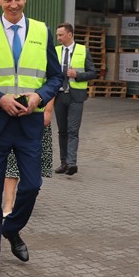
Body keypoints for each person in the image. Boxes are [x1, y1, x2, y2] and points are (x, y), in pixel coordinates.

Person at [0, 0, 62, 277]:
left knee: (32, 185)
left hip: (29, 123)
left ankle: (11, 228)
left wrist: (40, 96)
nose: (13, 4)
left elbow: (55, 76)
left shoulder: (41, 31)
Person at [52, 23, 97, 175]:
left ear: (70, 34)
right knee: (62, 131)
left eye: (61, 35)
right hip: (59, 96)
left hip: (76, 96)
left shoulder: (83, 51)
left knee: (73, 130)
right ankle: (63, 163)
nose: (58, 38)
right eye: (57, 35)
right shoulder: (55, 51)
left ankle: (72, 163)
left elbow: (92, 72)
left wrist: (77, 75)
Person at [3, 98, 54, 216]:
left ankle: (26, 199)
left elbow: (51, 88)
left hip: (35, 117)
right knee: (11, 164)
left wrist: (48, 111)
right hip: (11, 115)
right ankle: (8, 204)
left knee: (33, 171)